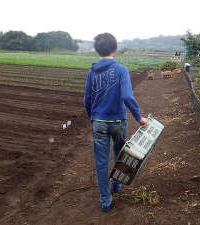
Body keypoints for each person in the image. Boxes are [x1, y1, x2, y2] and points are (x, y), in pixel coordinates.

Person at [84, 33, 147, 212]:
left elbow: (86, 100)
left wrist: (93, 117)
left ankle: (105, 200)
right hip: (118, 121)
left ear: (97, 50)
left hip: (99, 123)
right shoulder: (121, 70)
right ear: (115, 49)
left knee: (101, 162)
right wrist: (139, 117)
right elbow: (127, 96)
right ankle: (117, 183)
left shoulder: (91, 71)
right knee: (120, 153)